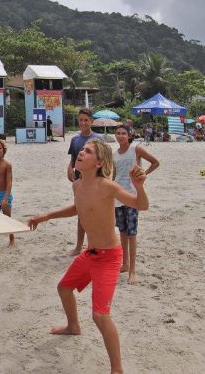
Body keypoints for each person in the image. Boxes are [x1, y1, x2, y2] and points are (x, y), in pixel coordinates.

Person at [29, 139, 149, 374]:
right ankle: (73, 326)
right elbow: (77, 207)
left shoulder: (108, 186)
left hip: (109, 257)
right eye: (82, 150)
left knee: (100, 315)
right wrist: (46, 216)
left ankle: (117, 369)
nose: (81, 153)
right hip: (90, 253)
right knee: (64, 288)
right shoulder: (77, 185)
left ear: (100, 162)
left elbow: (140, 205)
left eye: (88, 151)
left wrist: (139, 186)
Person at [114, 125, 159, 284]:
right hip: (118, 197)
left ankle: (132, 270)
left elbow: (155, 162)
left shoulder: (136, 149)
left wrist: (142, 175)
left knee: (132, 234)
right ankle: (125, 264)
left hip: (133, 196)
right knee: (123, 232)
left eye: (123, 133)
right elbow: (114, 175)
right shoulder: (114, 154)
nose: (120, 136)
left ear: (129, 135)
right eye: (118, 133)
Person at [66, 108, 102, 256]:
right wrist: (69, 168)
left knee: (93, 214)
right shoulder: (75, 139)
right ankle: (79, 246)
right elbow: (73, 159)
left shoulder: (98, 139)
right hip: (79, 181)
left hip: (94, 182)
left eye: (86, 120)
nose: (83, 123)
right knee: (81, 213)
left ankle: (93, 245)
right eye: (80, 120)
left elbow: (102, 161)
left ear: (91, 121)